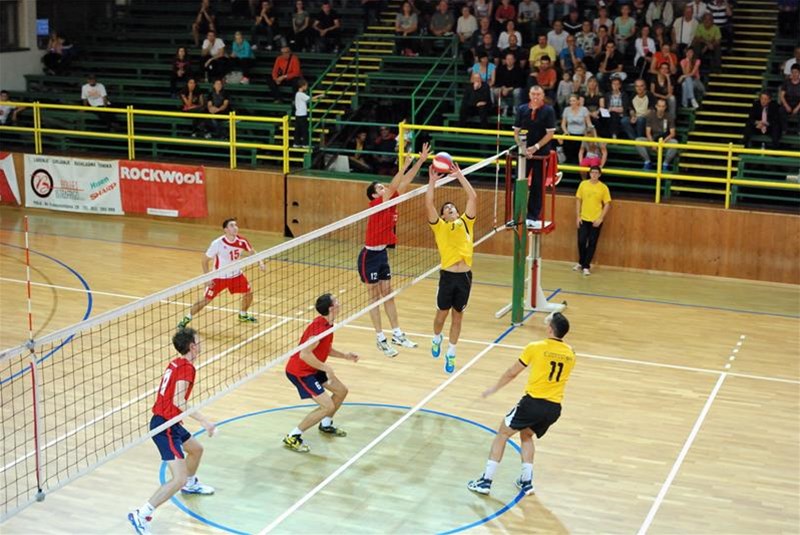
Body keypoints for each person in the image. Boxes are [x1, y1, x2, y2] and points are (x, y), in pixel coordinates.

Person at [466, 312, 575, 497]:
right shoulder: (571, 353)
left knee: (502, 434)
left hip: (533, 403)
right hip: (554, 408)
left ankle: (486, 481)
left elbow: (512, 372)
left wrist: (494, 388)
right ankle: (526, 482)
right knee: (526, 435)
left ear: (550, 329)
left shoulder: (535, 347)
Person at [127, 328, 217, 535]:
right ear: (192, 346)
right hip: (164, 427)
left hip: (171, 422)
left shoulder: (177, 363)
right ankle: (141, 514)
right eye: (199, 341)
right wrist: (204, 421)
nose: (201, 343)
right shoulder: (187, 368)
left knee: (196, 450)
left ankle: (190, 485)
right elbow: (178, 400)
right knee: (178, 478)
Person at [360, 143, 430, 357]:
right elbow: (393, 185)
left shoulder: (391, 202)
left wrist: (420, 161)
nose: (384, 189)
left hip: (382, 254)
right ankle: (380, 337)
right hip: (369, 256)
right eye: (379, 188)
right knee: (374, 297)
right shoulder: (376, 205)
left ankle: (397, 333)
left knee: (388, 294)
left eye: (383, 187)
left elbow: (405, 181)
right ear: (374, 196)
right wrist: (405, 164)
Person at [283, 293, 359, 453]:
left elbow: (325, 348)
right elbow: (304, 354)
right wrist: (326, 368)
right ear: (331, 308)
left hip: (313, 367)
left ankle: (325, 424)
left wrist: (345, 356)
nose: (339, 302)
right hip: (300, 371)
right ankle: (293, 436)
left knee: (341, 391)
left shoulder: (328, 324)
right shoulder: (319, 329)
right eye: (336, 301)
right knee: (327, 406)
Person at [425, 162, 477, 374]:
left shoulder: (466, 222)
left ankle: (452, 352)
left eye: (452, 207)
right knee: (441, 316)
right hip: (447, 277)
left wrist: (459, 175)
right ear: (443, 216)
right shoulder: (439, 227)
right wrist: (432, 181)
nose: (450, 208)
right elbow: (429, 204)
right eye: (446, 209)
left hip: (464, 277)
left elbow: (472, 197)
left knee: (458, 316)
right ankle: (437, 338)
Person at [177, 218, 264, 329]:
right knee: (205, 300)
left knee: (249, 293)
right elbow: (204, 261)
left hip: (236, 275)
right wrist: (207, 278)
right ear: (225, 229)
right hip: (219, 277)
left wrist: (260, 262)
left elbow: (252, 251)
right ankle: (186, 318)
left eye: (236, 225)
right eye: (232, 225)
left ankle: (243, 315)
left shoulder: (242, 241)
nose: (235, 227)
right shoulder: (217, 243)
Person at [514, 85, 556, 228]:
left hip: (541, 154)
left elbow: (550, 134)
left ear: (543, 96)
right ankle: (517, 215)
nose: (536, 97)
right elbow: (516, 132)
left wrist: (535, 147)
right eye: (533, 94)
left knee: (537, 185)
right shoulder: (522, 109)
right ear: (529, 95)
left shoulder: (548, 111)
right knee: (519, 182)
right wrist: (522, 148)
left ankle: (532, 216)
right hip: (524, 153)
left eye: (538, 94)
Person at [574, 166, 611, 276]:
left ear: (599, 175)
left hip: (596, 220)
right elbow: (578, 200)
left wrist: (600, 218)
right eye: (592, 172)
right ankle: (581, 262)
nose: (594, 174)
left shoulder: (603, 187)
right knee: (581, 241)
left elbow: (607, 204)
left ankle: (586, 266)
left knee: (592, 243)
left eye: (596, 173)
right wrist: (578, 216)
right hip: (584, 218)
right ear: (589, 174)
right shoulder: (583, 184)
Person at [636, 98, 678, 170]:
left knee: (675, 143)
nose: (661, 108)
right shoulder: (650, 115)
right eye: (659, 106)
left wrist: (663, 142)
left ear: (665, 107)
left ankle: (665, 164)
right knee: (638, 140)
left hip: (664, 140)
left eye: (663, 106)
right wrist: (652, 144)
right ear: (656, 106)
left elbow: (672, 133)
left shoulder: (669, 116)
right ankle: (647, 162)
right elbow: (648, 133)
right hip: (653, 139)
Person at [293, 78, 321, 148]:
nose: (306, 87)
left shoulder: (297, 94)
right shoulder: (301, 94)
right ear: (302, 86)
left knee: (298, 129)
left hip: (298, 114)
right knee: (304, 130)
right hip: (302, 115)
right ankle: (305, 144)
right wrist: (319, 96)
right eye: (306, 86)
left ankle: (296, 143)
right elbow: (310, 99)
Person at [779, 64, 800, 135]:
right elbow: (782, 96)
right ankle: (784, 129)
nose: (794, 74)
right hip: (787, 103)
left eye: (796, 72)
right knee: (781, 110)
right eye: (792, 72)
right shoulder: (786, 82)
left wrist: (797, 108)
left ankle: (799, 130)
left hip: (798, 104)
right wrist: (786, 106)